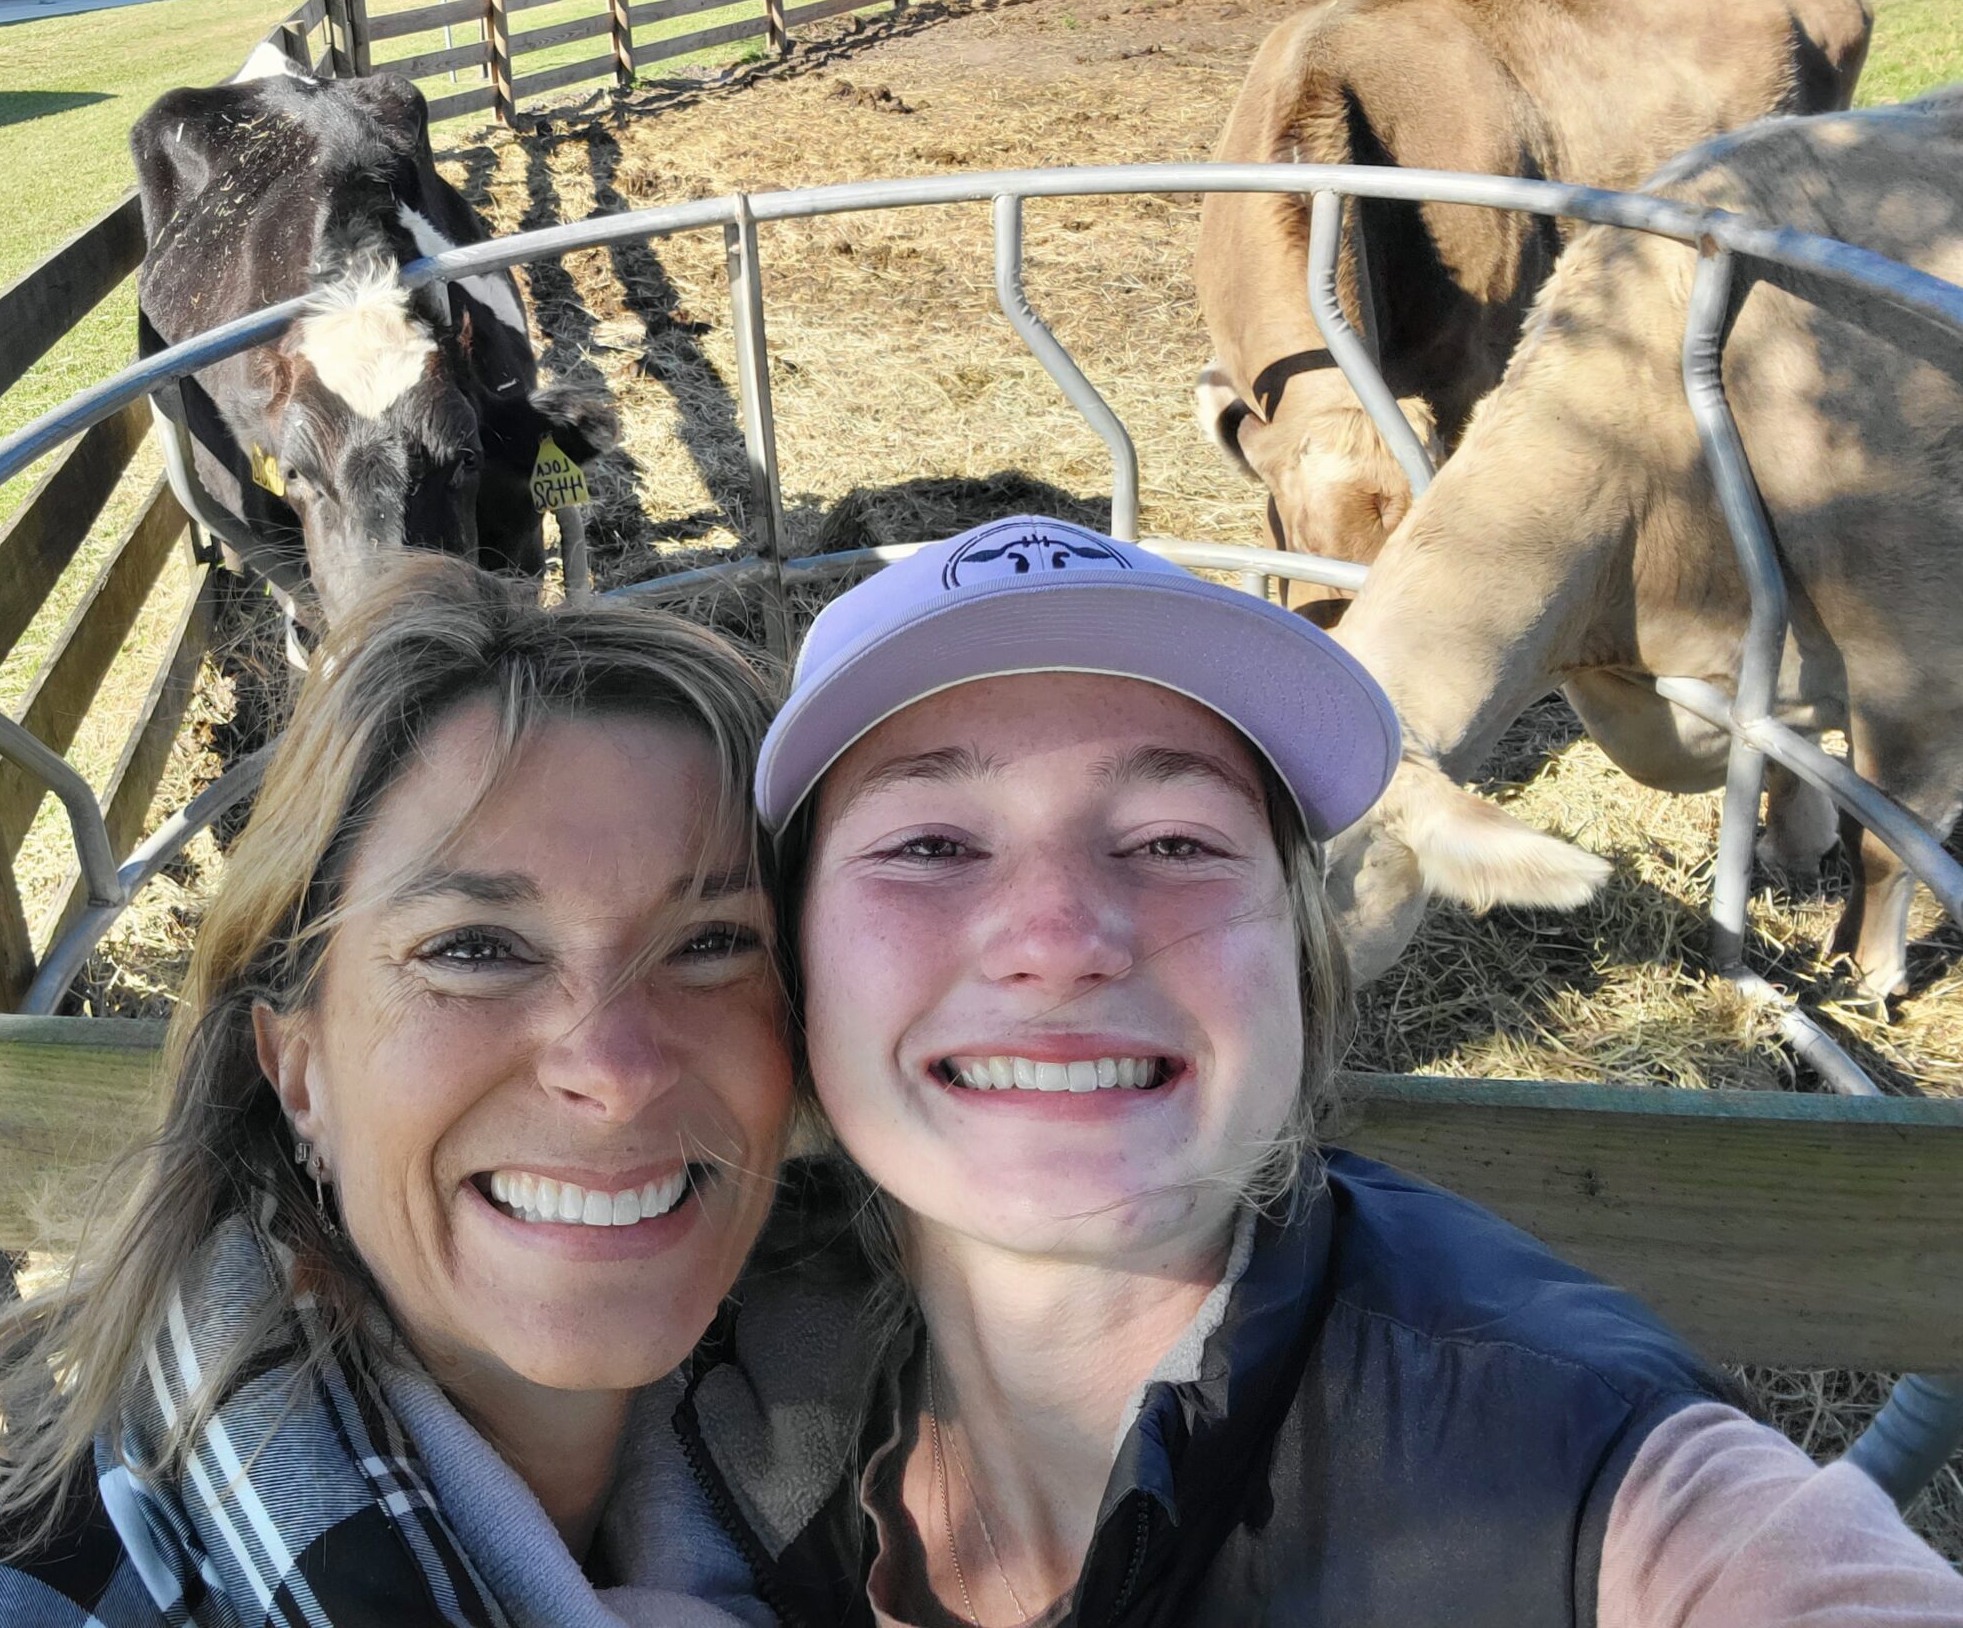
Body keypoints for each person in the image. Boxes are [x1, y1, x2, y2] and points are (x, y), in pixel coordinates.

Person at [669, 515, 1963, 1628]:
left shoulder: (1582, 1482)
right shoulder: (684, 1338)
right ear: (798, 962)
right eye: (934, 844)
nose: (1060, 941)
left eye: (1175, 840)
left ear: (1298, 961)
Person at [0, 555, 792, 1627]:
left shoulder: (877, 1453)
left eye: (711, 942)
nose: (613, 1072)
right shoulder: (20, 1600)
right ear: (297, 1071)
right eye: (474, 949)